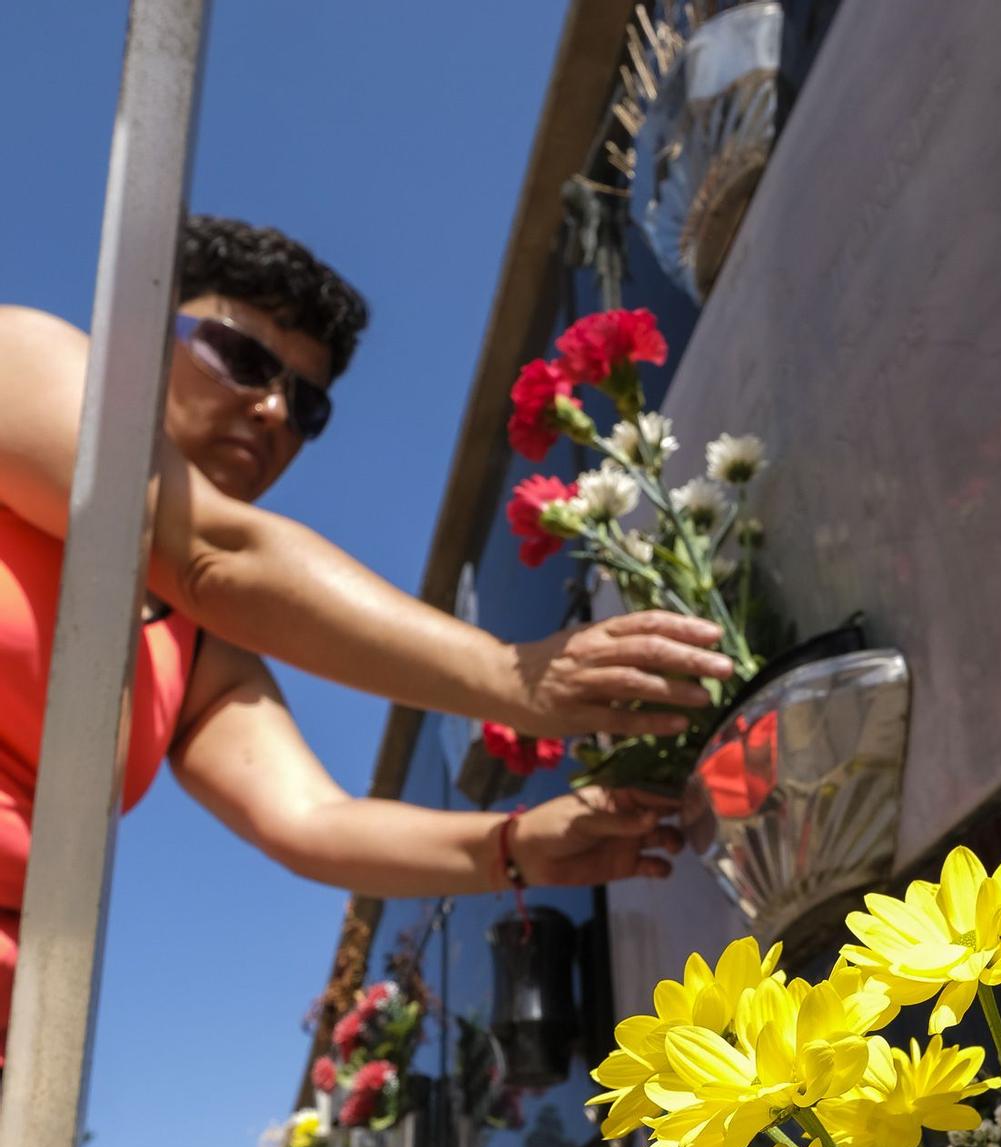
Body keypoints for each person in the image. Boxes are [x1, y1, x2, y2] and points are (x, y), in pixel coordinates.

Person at [0, 216, 727, 1054]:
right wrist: (511, 675)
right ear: (140, 335)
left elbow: (311, 820)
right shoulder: (26, 359)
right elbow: (210, 551)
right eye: (241, 359)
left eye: (307, 404)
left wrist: (516, 847)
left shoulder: (198, 648)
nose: (273, 408)